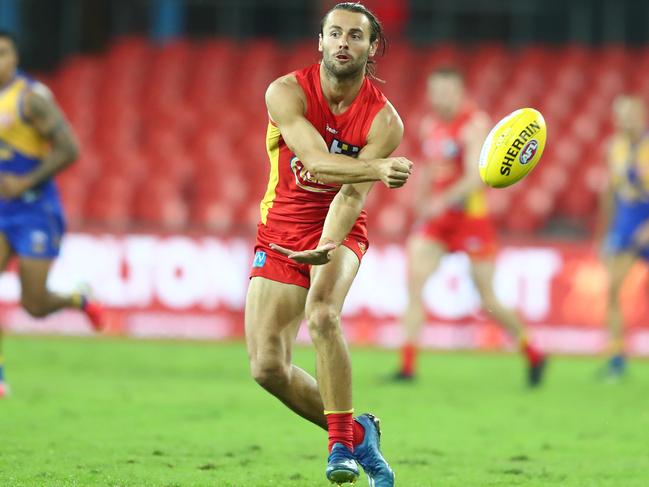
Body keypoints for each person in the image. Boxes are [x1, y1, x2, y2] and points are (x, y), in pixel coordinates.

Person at [244, 3, 412, 485]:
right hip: (280, 229)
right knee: (267, 367)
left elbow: (350, 195)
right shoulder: (286, 92)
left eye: (355, 36)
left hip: (339, 225)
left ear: (371, 47)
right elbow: (316, 162)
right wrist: (378, 168)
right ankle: (360, 431)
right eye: (334, 33)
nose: (343, 42)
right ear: (320, 41)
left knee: (322, 313)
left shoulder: (385, 121)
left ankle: (338, 446)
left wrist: (329, 242)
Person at [394, 66, 546, 386]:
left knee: (487, 298)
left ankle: (532, 351)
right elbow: (426, 168)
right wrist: (422, 202)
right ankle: (407, 366)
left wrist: (442, 198)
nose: (440, 98)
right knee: (414, 283)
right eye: (435, 92)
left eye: (446, 91)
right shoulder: (430, 125)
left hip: (471, 219)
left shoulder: (474, 125)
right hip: (438, 220)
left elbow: (476, 177)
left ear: (460, 92)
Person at [0, 31, 104, 398]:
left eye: (3, 54)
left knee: (34, 305)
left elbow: (69, 149)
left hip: (34, 210)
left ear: (15, 59)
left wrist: (24, 180)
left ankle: (77, 298)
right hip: (1, 208)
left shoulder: (31, 99)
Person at [597, 95, 649, 379]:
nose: (625, 120)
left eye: (630, 114)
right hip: (626, 222)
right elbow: (610, 192)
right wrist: (605, 233)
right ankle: (617, 357)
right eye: (620, 115)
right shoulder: (613, 148)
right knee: (614, 289)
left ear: (642, 115)